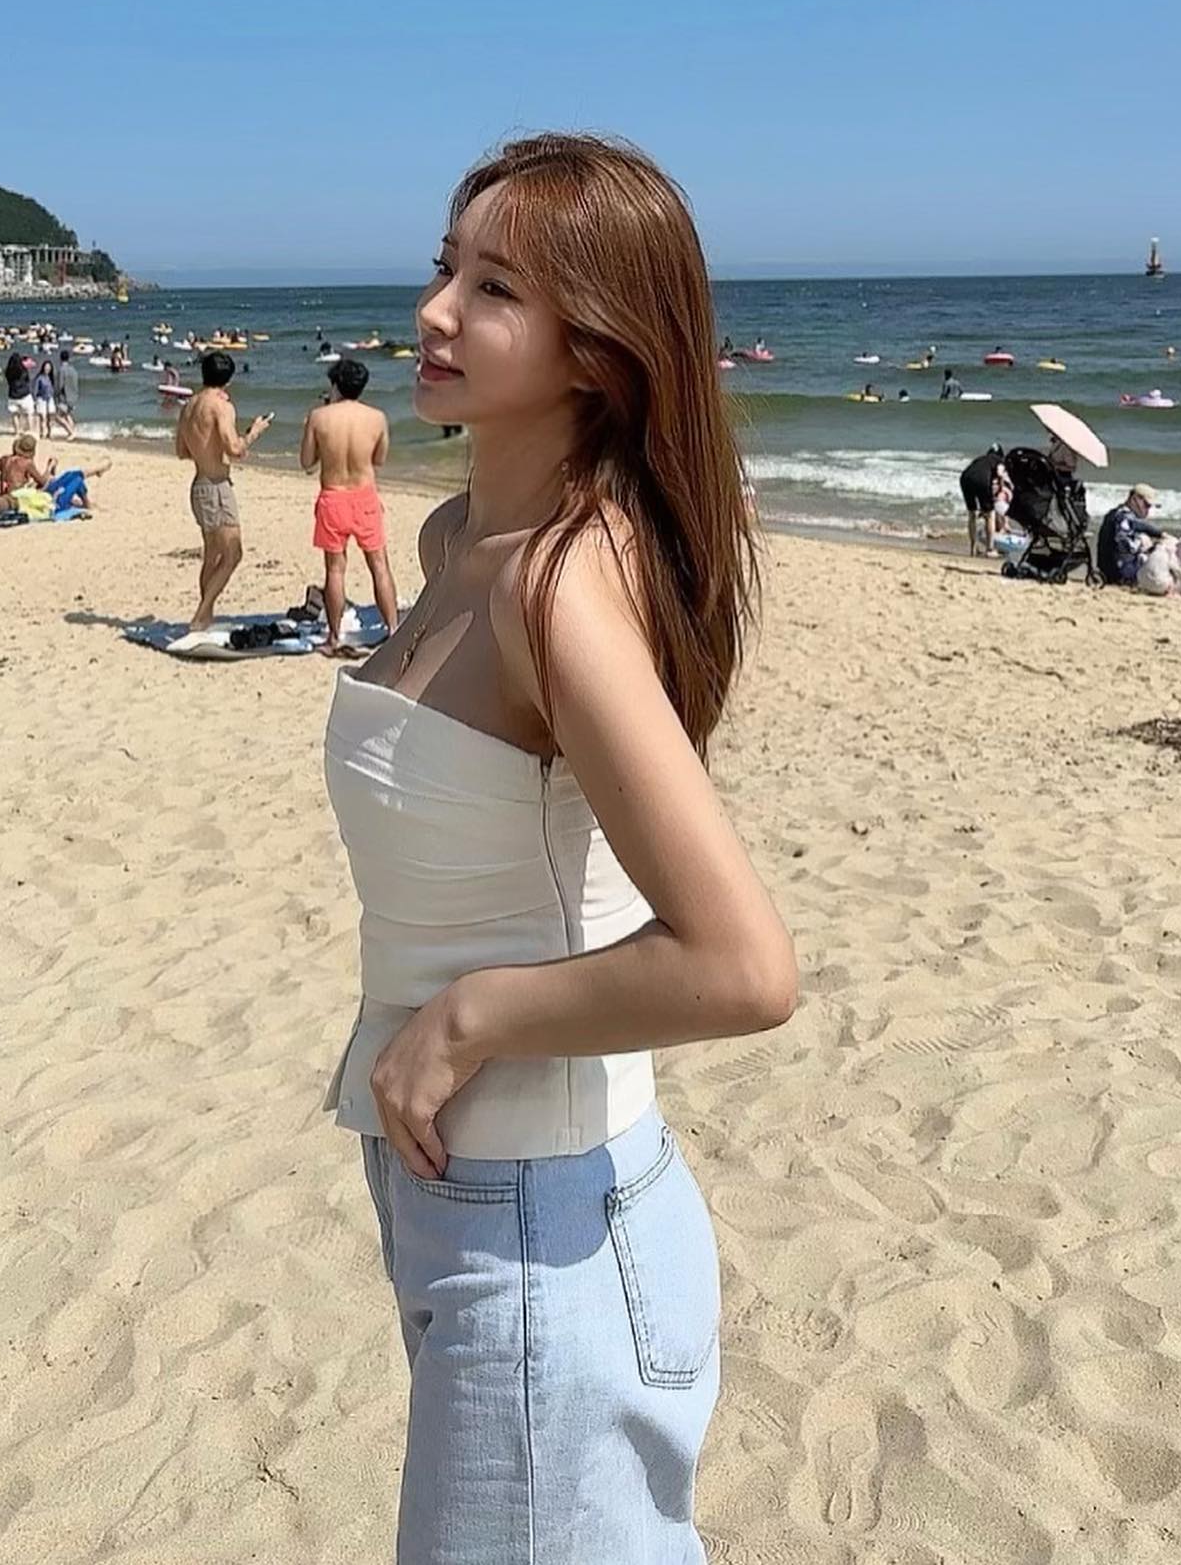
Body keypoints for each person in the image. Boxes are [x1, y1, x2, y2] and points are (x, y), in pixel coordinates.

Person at [324, 133, 798, 1561]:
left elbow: (744, 966)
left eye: (495, 288)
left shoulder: (561, 587)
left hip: (548, 1231)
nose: (433, 312)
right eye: (444, 268)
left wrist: (470, 1015)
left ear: (597, 347)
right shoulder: (455, 535)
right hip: (465, 1202)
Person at [299, 358, 400, 655]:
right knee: (379, 565)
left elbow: (306, 462)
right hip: (364, 495)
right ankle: (393, 630)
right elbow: (379, 459)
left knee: (335, 570)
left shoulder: (318, 417)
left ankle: (334, 637)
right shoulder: (377, 417)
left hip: (333, 496)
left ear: (335, 385)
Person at [174, 349, 272, 630]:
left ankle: (205, 617)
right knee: (233, 553)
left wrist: (207, 448)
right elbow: (235, 448)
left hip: (200, 483)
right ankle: (201, 614)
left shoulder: (189, 406)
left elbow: (182, 451)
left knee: (212, 555)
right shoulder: (221, 406)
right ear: (228, 380)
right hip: (216, 487)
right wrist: (254, 432)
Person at [1095, 482, 1163, 587]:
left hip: (1107, 571)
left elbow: (1140, 526)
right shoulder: (1124, 518)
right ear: (1134, 499)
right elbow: (1126, 549)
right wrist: (1153, 548)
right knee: (1161, 554)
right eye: (1146, 505)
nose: (1148, 511)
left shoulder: (1115, 513)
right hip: (1119, 574)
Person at [0, 433, 56, 516]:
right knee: (41, 488)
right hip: (17, 497)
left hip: (3, 494)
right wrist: (49, 467)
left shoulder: (4, 459)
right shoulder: (27, 463)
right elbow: (42, 482)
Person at [959, 443, 1005, 555]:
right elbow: (1000, 473)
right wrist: (1001, 488)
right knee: (990, 515)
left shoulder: (981, 459)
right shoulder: (999, 460)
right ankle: (990, 549)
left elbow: (975, 472)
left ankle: (973, 548)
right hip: (981, 480)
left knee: (972, 514)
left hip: (965, 478)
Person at [51, 349, 79, 439]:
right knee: (67, 415)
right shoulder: (73, 370)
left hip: (64, 397)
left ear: (60, 358)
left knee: (58, 417)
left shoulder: (61, 370)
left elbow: (60, 385)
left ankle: (71, 432)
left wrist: (55, 394)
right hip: (73, 396)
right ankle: (72, 432)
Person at [4, 351, 33, 435]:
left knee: (15, 415)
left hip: (13, 395)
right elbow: (27, 380)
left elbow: (9, 382)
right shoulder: (23, 370)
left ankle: (17, 431)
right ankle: (29, 430)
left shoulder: (8, 372)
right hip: (24, 395)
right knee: (29, 414)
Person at [31, 355, 56, 438]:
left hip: (50, 399)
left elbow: (53, 388)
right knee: (43, 417)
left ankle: (50, 433)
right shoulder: (39, 378)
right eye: (46, 367)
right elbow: (35, 390)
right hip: (41, 399)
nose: (47, 369)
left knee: (50, 417)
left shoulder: (51, 378)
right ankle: (42, 433)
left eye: (49, 367)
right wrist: (34, 400)